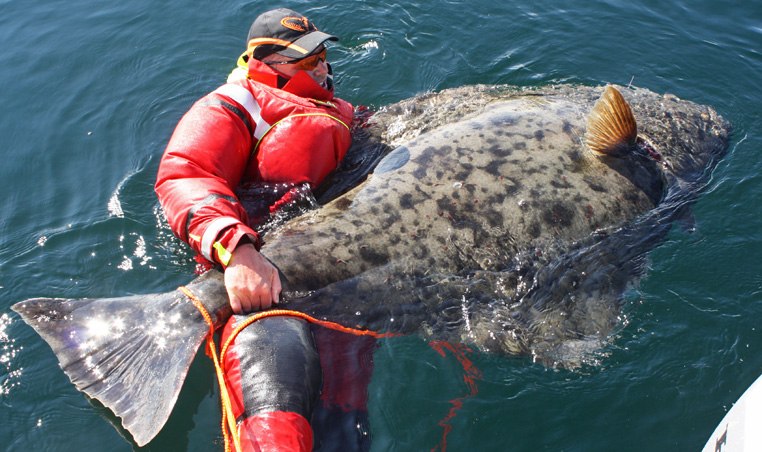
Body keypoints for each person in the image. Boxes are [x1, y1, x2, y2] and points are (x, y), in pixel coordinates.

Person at [155, 8, 373, 452]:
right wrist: (236, 249)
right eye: (306, 60)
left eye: (321, 55)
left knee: (345, 423)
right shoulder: (233, 104)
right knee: (277, 421)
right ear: (265, 62)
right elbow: (185, 174)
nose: (322, 65)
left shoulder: (344, 112)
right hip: (256, 280)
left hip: (334, 272)